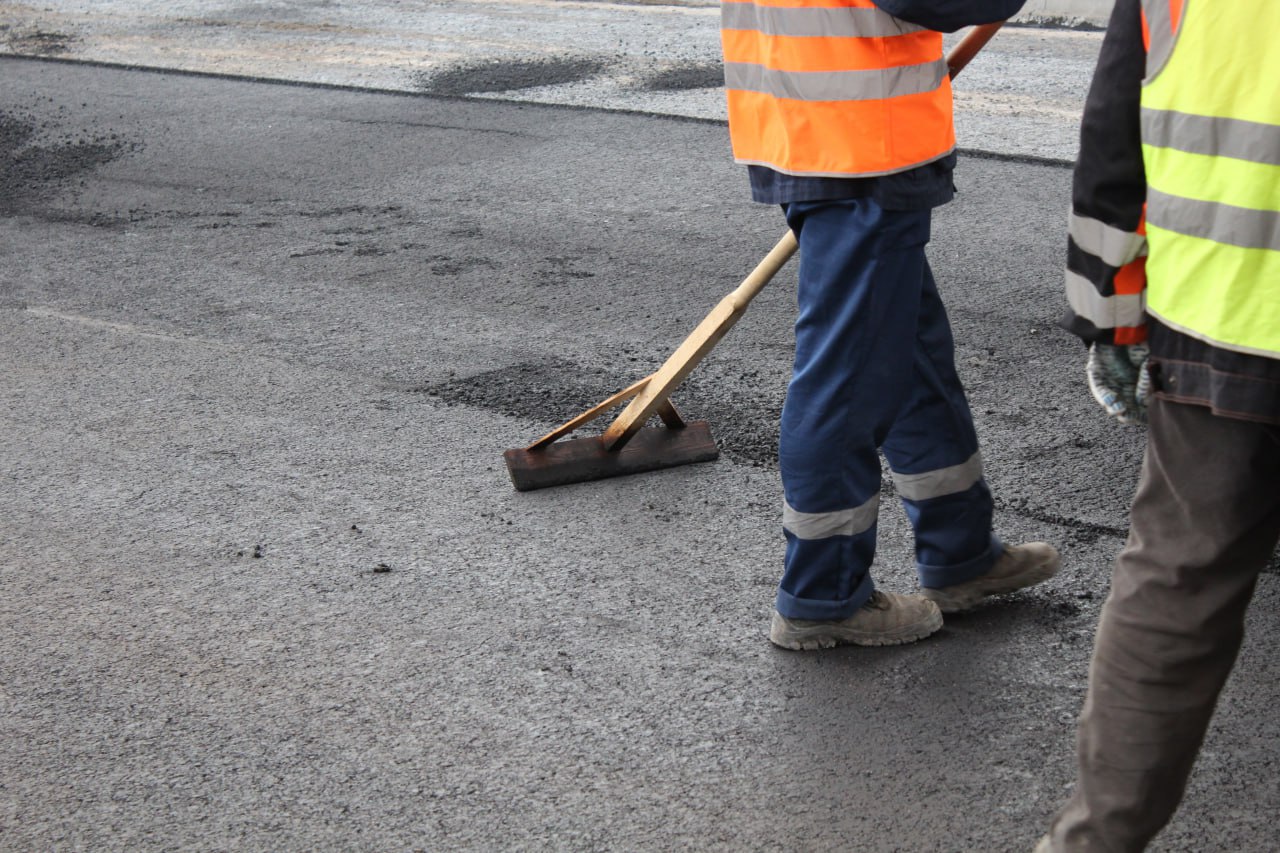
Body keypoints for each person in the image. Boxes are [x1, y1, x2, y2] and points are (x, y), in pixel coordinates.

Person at [720, 0, 1060, 651]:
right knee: (848, 375)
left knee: (908, 351)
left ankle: (960, 552)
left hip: (814, 126)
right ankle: (823, 595)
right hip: (859, 144)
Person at [1037, 0, 1280, 849]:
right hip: (1220, 305)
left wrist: (1111, 317)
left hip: (1220, 307)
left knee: (1176, 581)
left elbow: (1116, 123)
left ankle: (1093, 841)